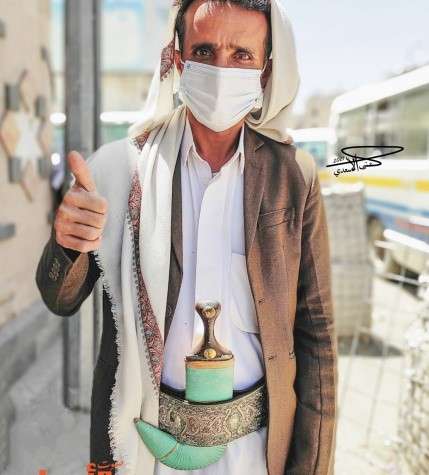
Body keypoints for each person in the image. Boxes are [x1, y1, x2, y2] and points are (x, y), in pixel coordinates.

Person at [35, 1, 338, 474]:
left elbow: (317, 337)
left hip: (257, 452)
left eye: (241, 55)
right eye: (204, 51)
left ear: (265, 70)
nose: (221, 69)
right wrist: (69, 241)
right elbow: (59, 298)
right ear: (178, 59)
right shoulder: (121, 171)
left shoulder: (293, 177)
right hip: (146, 447)